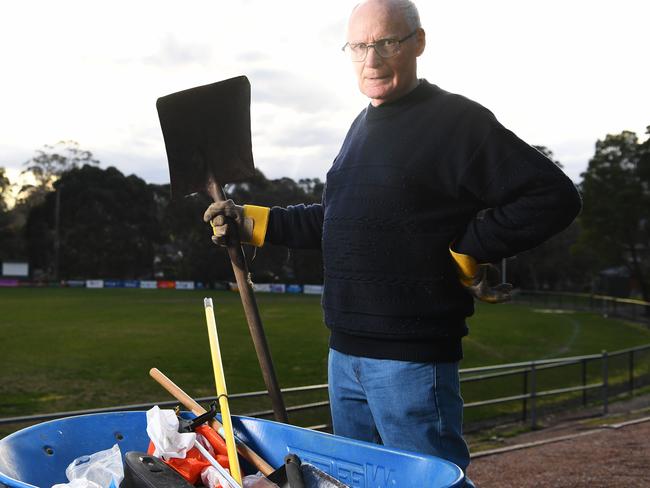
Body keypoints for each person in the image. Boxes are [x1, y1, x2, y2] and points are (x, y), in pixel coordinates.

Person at [204, 0, 582, 484]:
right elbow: (338, 220)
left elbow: (552, 196)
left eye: (386, 42)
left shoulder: (457, 122)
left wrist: (471, 247)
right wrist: (251, 222)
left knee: (427, 482)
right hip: (344, 354)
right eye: (360, 46)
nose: (372, 59)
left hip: (411, 359)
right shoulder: (360, 128)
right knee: (356, 482)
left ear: (418, 43)